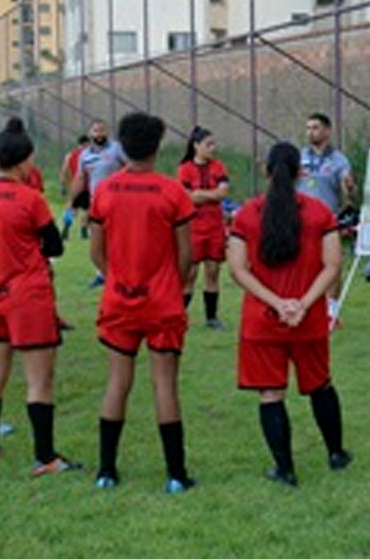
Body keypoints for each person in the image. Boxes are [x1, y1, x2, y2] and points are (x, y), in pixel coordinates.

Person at [228, 141, 352, 486]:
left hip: (263, 322)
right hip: (308, 320)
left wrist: (277, 303)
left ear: (266, 171)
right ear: (301, 172)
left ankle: (285, 469)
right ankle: (336, 453)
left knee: (271, 394)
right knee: (320, 384)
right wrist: (304, 302)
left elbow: (238, 270)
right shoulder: (319, 214)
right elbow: (333, 265)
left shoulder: (246, 215)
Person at [89, 112, 196, 494]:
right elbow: (187, 253)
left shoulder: (105, 191)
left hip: (120, 301)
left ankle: (106, 472)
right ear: (157, 145)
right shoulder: (173, 191)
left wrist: (118, 276)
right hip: (163, 303)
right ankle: (176, 476)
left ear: (122, 144)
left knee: (117, 383)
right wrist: (174, 284)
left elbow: (95, 252)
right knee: (164, 385)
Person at [0, 126, 79, 474]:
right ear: (23, 161)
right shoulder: (30, 198)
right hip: (28, 296)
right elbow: (54, 246)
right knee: (39, 380)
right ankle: (45, 457)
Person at [296, 113, 355, 325]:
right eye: (308, 128)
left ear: (327, 131)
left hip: (327, 222)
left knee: (332, 265)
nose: (311, 132)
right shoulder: (300, 157)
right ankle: (304, 307)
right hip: (301, 220)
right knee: (303, 264)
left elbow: (348, 191)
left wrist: (348, 187)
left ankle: (331, 312)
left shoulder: (338, 160)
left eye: (315, 127)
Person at [177, 126, 230, 329]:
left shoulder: (219, 166)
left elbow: (223, 193)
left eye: (213, 144)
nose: (213, 148)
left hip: (215, 226)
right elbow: (187, 196)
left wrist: (201, 194)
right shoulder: (185, 169)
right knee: (190, 274)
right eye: (208, 144)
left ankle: (212, 318)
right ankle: (179, 315)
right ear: (196, 146)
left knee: (213, 270)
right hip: (194, 227)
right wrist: (211, 194)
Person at [70, 120, 127, 287]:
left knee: (117, 238)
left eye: (102, 131)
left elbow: (130, 167)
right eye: (96, 131)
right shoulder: (85, 155)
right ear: (90, 134)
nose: (99, 134)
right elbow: (80, 178)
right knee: (98, 241)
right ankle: (103, 274)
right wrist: (72, 201)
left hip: (118, 202)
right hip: (97, 202)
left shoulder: (116, 148)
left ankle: (120, 273)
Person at [60, 135, 91, 240]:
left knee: (72, 208)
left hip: (77, 187)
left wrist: (63, 185)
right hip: (85, 187)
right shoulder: (89, 155)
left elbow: (64, 170)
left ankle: (67, 227)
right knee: (87, 209)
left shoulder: (70, 155)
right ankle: (82, 229)